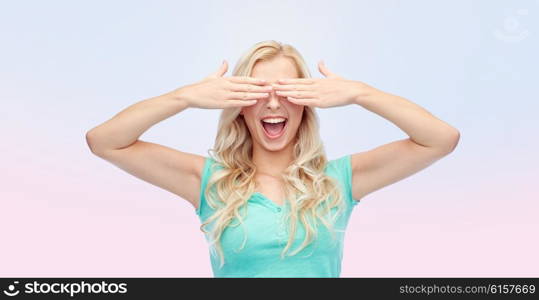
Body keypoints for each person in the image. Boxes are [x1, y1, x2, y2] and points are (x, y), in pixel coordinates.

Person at [85, 40, 460, 278]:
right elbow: (105, 142)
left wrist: (361, 93)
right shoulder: (208, 181)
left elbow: (440, 139)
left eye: (287, 90)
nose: (274, 102)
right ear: (238, 105)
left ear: (307, 103)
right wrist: (183, 97)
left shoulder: (339, 180)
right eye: (258, 91)